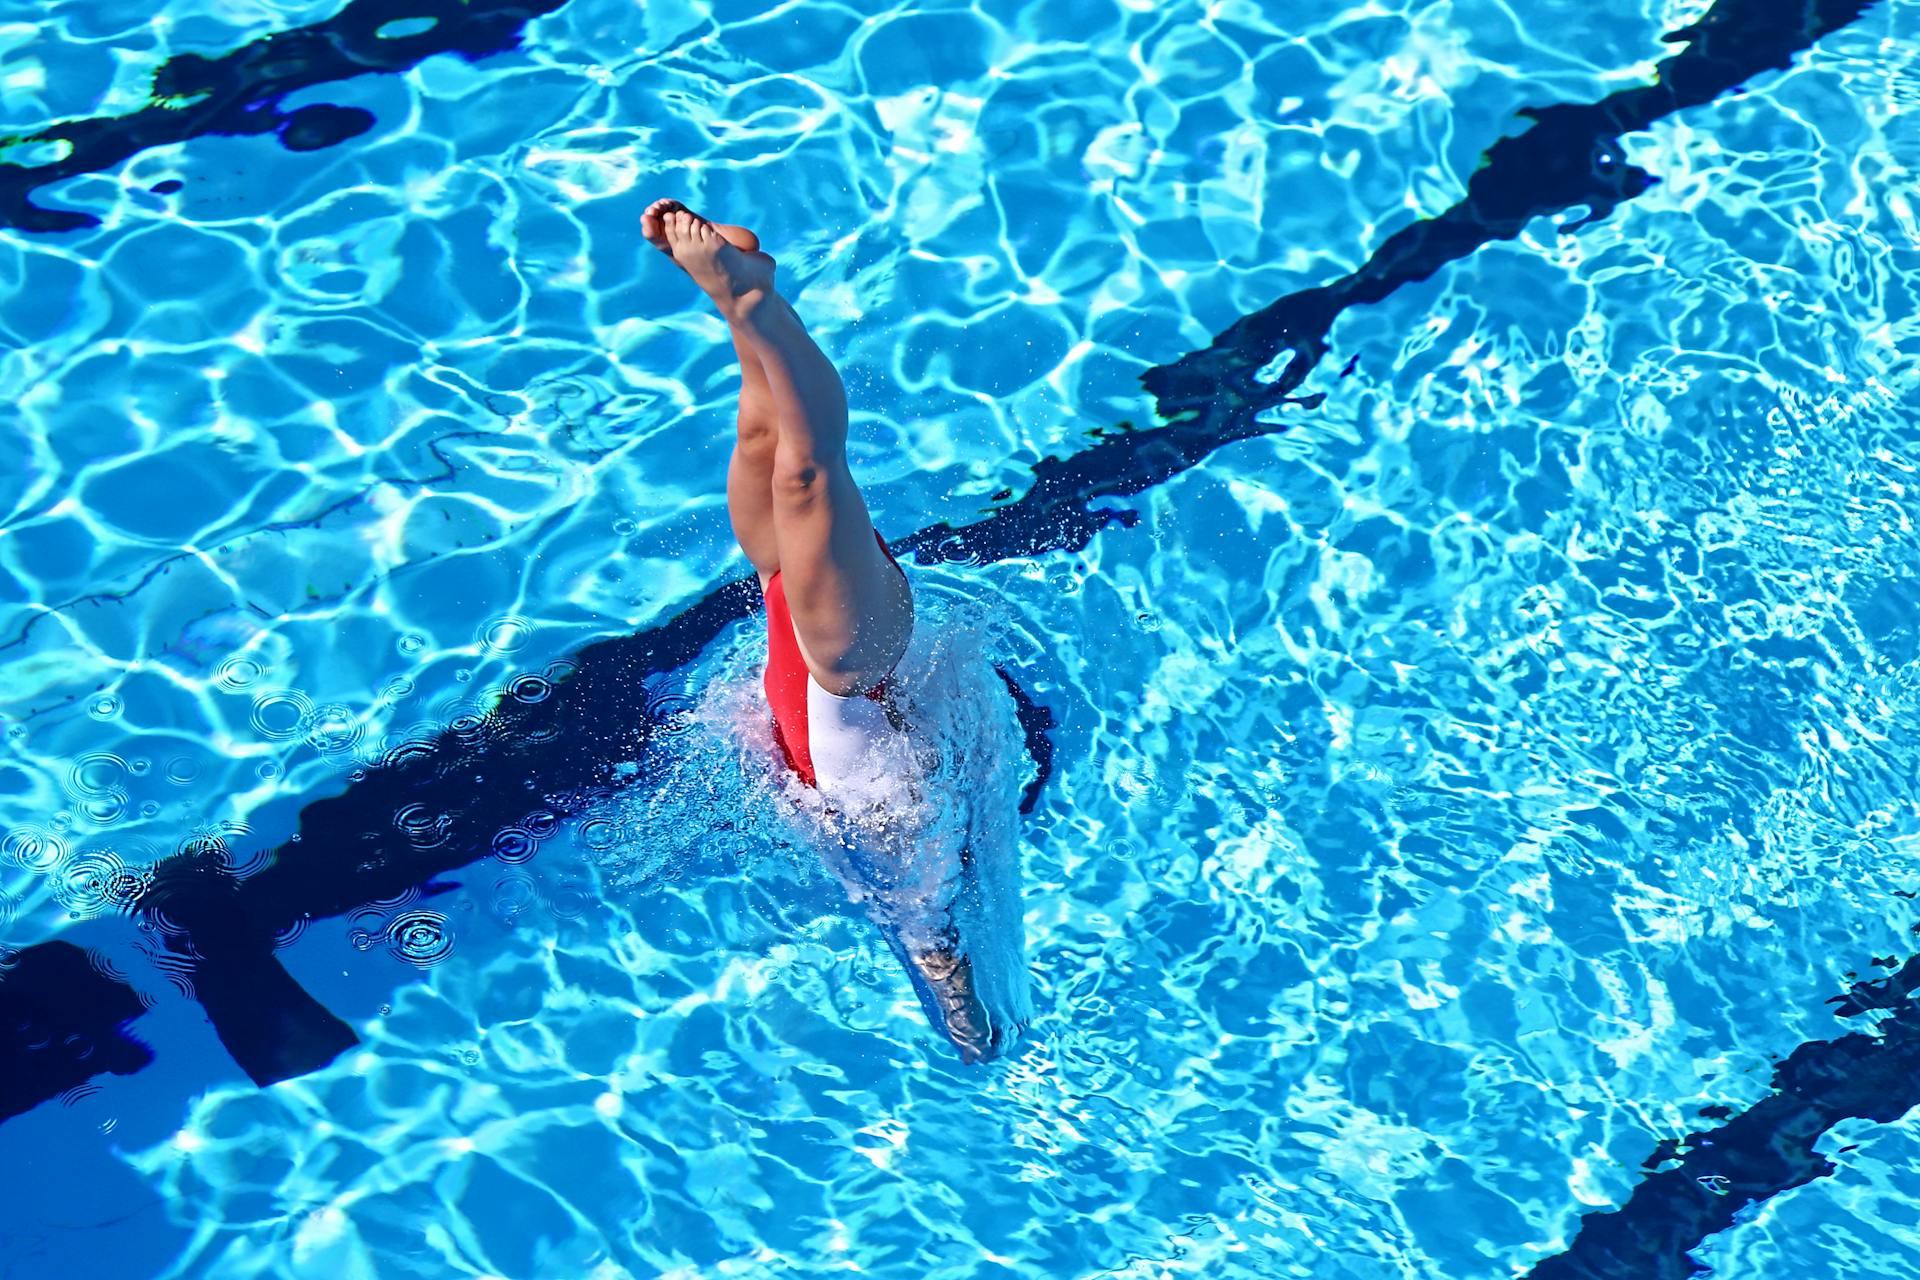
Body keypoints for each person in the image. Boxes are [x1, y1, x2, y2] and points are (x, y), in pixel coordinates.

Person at [640, 199, 1002, 1062]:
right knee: (807, 471)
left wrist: (966, 1020)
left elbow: (938, 953)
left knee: (763, 438)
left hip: (794, 621)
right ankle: (754, 301)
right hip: (845, 661)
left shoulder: (908, 874)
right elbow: (938, 950)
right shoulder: (914, 876)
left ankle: (741, 305)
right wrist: (968, 1022)